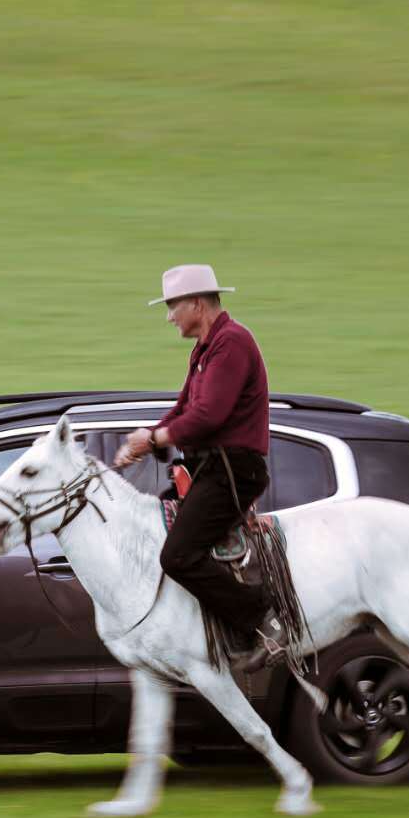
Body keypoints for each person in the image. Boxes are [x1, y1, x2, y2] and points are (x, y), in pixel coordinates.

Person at [113, 264, 281, 669]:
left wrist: (153, 439)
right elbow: (184, 409)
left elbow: (208, 416)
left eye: (172, 307)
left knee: (177, 557)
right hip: (212, 470)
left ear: (196, 304)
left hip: (231, 472)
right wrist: (147, 440)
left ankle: (261, 617)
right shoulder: (205, 349)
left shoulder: (233, 344)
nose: (170, 317)